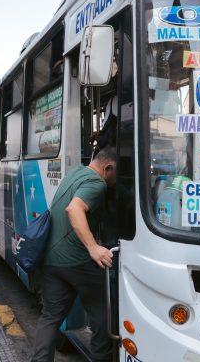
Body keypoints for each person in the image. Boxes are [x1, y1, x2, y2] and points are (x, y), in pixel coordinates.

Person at [31, 147, 117, 362]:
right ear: (108, 168)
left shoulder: (75, 172)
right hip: (77, 261)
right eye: (116, 173)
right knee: (103, 316)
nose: (116, 179)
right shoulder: (97, 183)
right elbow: (74, 209)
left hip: (50, 259)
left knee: (50, 318)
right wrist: (93, 247)